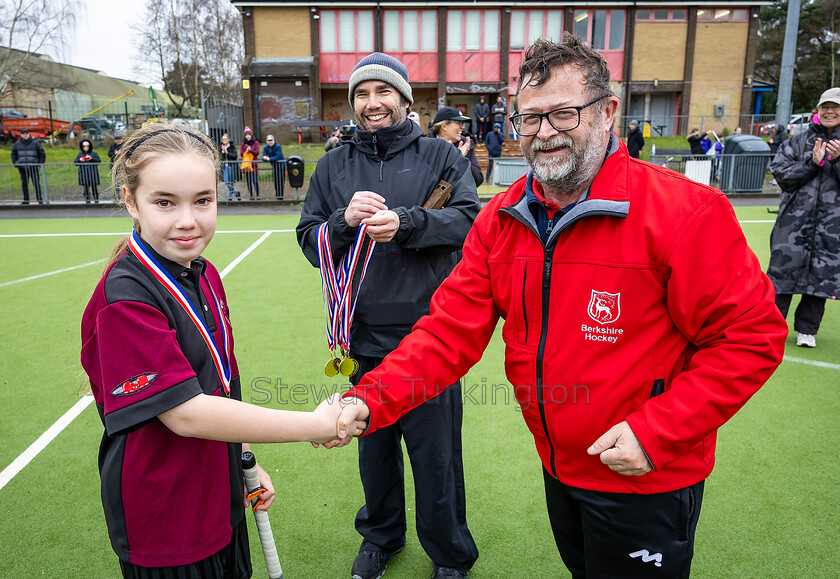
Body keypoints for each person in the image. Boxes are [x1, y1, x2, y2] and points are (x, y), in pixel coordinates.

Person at [334, 36, 787, 578]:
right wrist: (369, 400)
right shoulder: (501, 218)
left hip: (644, 472)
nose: (544, 133)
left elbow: (751, 336)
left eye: (563, 114)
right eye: (529, 119)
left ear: (607, 112)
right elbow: (447, 333)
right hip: (558, 465)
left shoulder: (685, 211)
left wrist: (657, 432)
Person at [80, 122, 363, 579]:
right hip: (168, 518)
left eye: (203, 200)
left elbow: (220, 386)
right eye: (165, 202)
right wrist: (315, 423)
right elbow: (186, 413)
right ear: (131, 201)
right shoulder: (126, 296)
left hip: (221, 490)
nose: (188, 219)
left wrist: (244, 457)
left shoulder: (204, 273)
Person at [296, 52, 481, 579]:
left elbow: (469, 222)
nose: (371, 103)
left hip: (430, 340)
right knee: (373, 454)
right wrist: (341, 222)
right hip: (360, 338)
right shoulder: (333, 165)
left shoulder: (441, 155)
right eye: (361, 94)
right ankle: (381, 538)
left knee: (436, 458)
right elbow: (309, 241)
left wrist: (407, 222)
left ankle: (449, 554)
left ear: (404, 99)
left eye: (383, 92)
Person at [767, 86, 840, 349]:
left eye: (836, 107)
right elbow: (782, 176)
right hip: (792, 224)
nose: (830, 111)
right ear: (818, 110)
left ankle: (807, 331)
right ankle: (770, 327)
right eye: (826, 107)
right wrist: (813, 163)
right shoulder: (797, 142)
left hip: (832, 228)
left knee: (819, 280)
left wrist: (837, 160)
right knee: (781, 276)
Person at [431, 106, 484, 186]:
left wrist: (461, 159)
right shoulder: (425, 146)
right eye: (459, 123)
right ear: (444, 126)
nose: (463, 127)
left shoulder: (465, 144)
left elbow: (478, 180)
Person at [11, 128, 45, 204]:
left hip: (33, 167)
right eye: (23, 134)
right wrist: (16, 163)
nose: (25, 135)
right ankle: (26, 200)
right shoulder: (17, 144)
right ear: (21, 135)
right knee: (24, 184)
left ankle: (39, 199)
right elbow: (13, 154)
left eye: (26, 133)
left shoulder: (35, 143)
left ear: (29, 134)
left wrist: (39, 164)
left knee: (36, 183)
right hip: (22, 167)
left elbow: (42, 154)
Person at [74, 139, 102, 203]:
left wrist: (91, 158)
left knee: (94, 187)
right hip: (84, 174)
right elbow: (75, 163)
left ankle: (96, 199)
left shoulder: (94, 153)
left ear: (90, 146)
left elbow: (99, 161)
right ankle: (87, 200)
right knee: (86, 187)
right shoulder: (80, 154)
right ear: (82, 147)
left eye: (87, 146)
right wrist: (80, 160)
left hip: (93, 173)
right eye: (84, 146)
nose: (86, 147)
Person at [261, 134, 285, 199]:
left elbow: (278, 156)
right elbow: (263, 156)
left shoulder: (278, 146)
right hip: (274, 167)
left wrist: (269, 159)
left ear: (274, 140)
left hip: (281, 166)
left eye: (271, 140)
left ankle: (280, 196)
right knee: (276, 182)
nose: (270, 142)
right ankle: (277, 195)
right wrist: (265, 158)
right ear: (266, 141)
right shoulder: (266, 147)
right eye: (269, 140)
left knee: (281, 182)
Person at [240, 127, 260, 198]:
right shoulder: (243, 144)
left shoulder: (256, 143)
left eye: (249, 135)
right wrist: (246, 151)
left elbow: (257, 152)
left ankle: (257, 194)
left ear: (251, 135)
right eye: (246, 135)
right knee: (249, 182)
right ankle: (251, 195)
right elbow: (241, 154)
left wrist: (251, 150)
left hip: (253, 165)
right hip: (246, 166)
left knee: (255, 181)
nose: (247, 136)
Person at [220, 133, 240, 200]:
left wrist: (227, 152)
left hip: (231, 166)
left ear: (228, 139)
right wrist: (223, 151)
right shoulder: (221, 147)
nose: (224, 140)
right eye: (223, 139)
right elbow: (220, 157)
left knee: (231, 181)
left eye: (225, 139)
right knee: (226, 181)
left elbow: (235, 156)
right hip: (225, 167)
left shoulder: (232, 146)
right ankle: (235, 192)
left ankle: (230, 197)